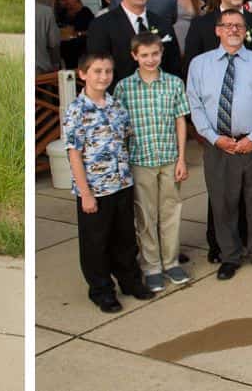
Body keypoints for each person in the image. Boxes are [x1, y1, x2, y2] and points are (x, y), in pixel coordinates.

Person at [186, 8, 252, 278]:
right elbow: (195, 104)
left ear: (245, 30)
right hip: (218, 145)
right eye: (227, 25)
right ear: (217, 30)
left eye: (238, 25)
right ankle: (229, 255)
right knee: (223, 202)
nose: (233, 30)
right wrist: (215, 139)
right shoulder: (200, 65)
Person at [65, 52, 154, 313]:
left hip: (122, 184)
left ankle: (130, 280)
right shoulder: (77, 111)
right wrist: (86, 194)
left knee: (124, 237)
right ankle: (101, 289)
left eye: (108, 71)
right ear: (83, 74)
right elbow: (74, 154)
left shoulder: (116, 106)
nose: (103, 76)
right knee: (96, 242)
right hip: (95, 188)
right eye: (97, 71)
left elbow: (124, 139)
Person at [116, 33, 191, 290]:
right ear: (134, 56)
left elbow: (180, 121)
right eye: (144, 55)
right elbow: (120, 129)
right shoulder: (124, 88)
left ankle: (171, 262)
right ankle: (151, 265)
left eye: (155, 54)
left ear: (162, 54)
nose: (150, 60)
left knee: (170, 212)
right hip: (140, 160)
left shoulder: (173, 84)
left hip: (169, 158)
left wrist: (182, 158)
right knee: (145, 215)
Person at [86, 0, 183, 82]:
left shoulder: (163, 23)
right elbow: (98, 70)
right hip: (119, 97)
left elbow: (174, 66)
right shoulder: (101, 25)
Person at [55, 0, 95, 68]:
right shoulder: (63, 13)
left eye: (66, 0)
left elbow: (93, 31)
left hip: (81, 53)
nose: (64, 2)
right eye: (62, 0)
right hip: (66, 54)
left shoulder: (85, 13)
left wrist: (77, 33)